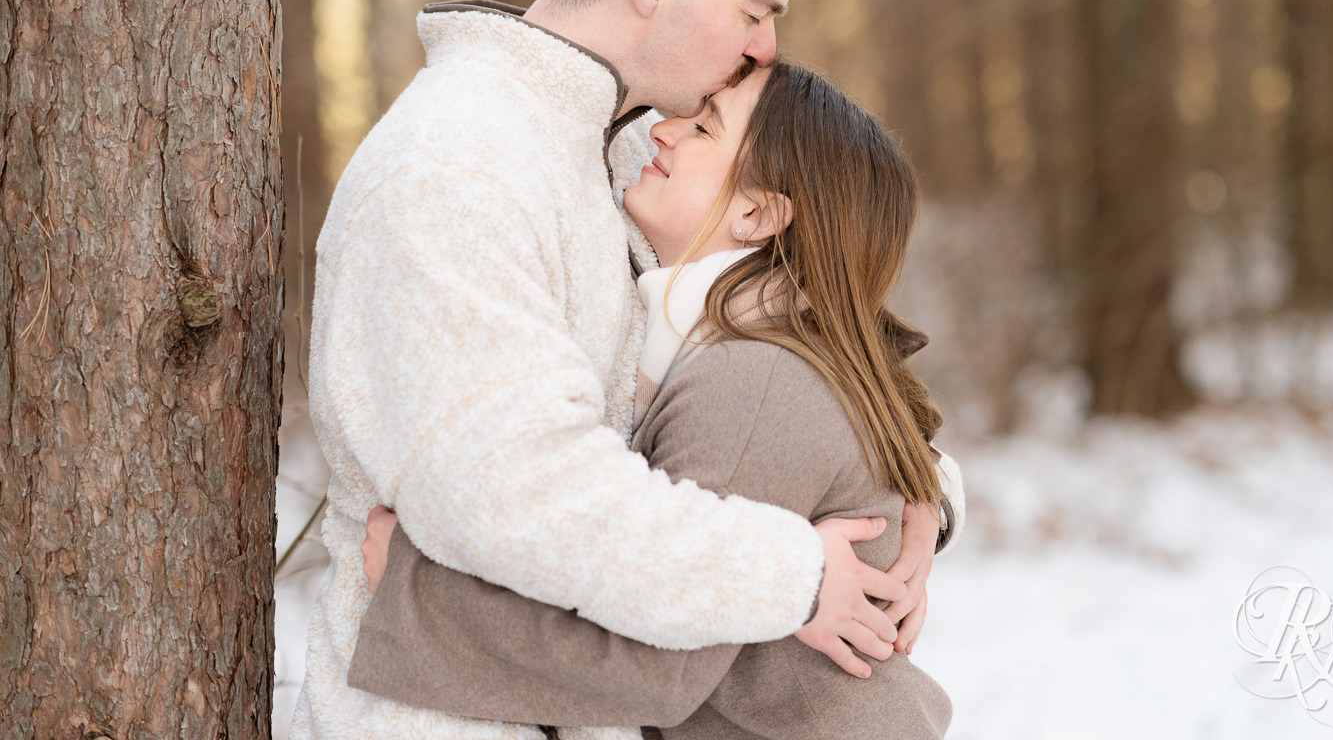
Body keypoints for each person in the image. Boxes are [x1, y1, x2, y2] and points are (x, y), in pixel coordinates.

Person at [289, 0, 962, 740]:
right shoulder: (457, 164)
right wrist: (794, 575)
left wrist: (913, 487)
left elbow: (747, 357)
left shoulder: (594, 153)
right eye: (754, 9)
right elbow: (524, 492)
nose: (765, 46)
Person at [351, 61, 955, 739]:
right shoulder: (754, 352)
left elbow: (659, 666)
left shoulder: (751, 383)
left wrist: (416, 595)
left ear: (758, 213)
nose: (662, 132)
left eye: (703, 128)